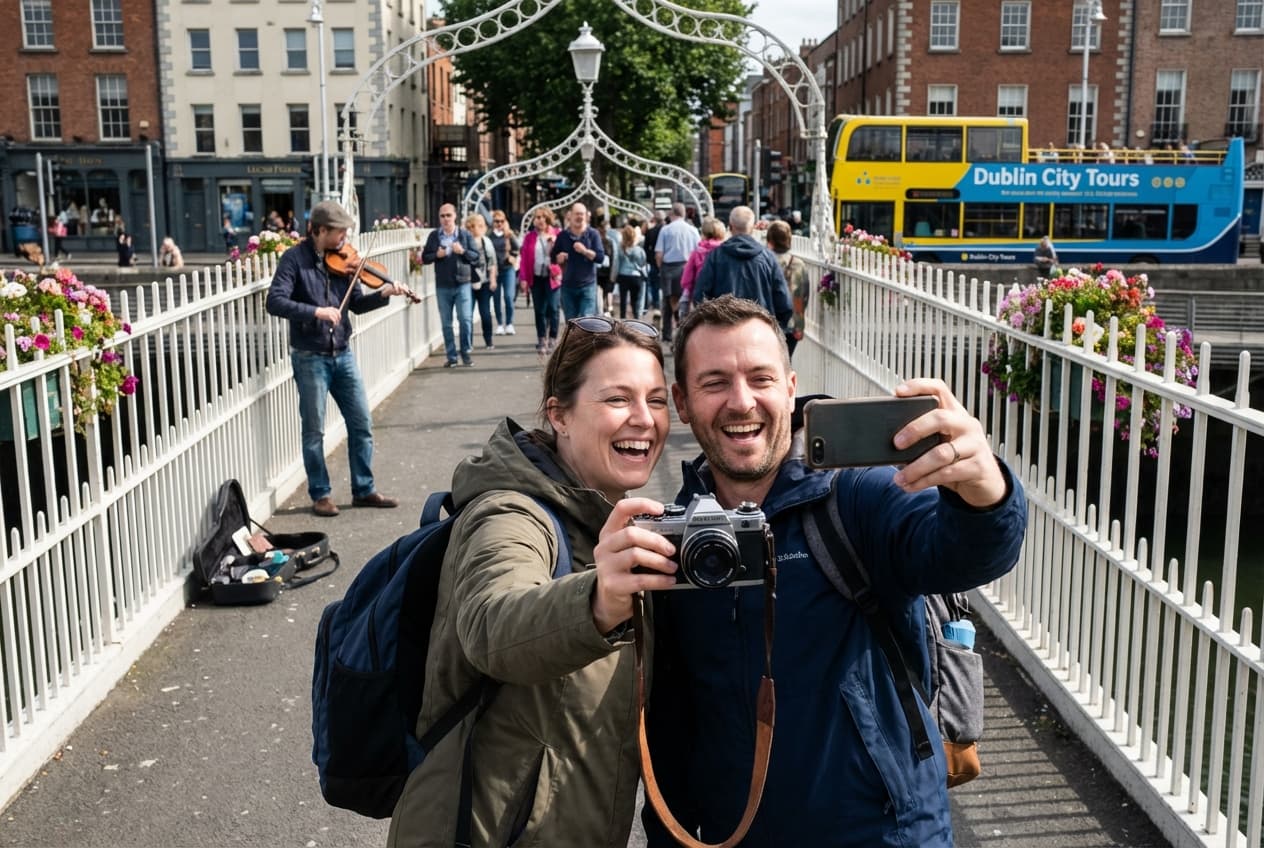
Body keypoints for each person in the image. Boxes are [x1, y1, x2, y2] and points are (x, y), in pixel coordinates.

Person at [641, 295, 1028, 847]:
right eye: (714, 383)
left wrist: (984, 494)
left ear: (791, 388)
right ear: (682, 401)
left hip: (885, 833)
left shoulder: (854, 498)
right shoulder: (679, 543)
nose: (741, 401)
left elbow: (964, 552)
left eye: (760, 378)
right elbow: (674, 726)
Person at [387, 315, 678, 847]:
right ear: (558, 415)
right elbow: (492, 624)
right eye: (618, 399)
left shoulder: (607, 514)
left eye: (657, 400)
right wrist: (598, 599)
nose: (644, 419)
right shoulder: (508, 513)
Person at [264, 200, 405, 517]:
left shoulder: (344, 262)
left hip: (342, 353)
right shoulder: (294, 260)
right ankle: (321, 494)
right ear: (319, 230)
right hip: (309, 356)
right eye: (339, 232)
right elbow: (275, 301)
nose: (344, 239)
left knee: (361, 423)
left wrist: (383, 295)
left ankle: (364, 489)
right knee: (314, 430)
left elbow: (354, 304)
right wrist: (315, 312)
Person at [691, 205, 793, 331]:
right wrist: (775, 327)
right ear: (753, 227)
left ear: (730, 225)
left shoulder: (716, 256)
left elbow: (700, 296)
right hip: (759, 330)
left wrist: (712, 324)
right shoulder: (768, 258)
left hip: (724, 330)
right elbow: (783, 302)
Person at [422, 203, 481, 368]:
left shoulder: (464, 235)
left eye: (449, 215)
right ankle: (452, 356)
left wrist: (462, 251)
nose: (446, 219)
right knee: (446, 323)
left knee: (465, 319)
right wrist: (437, 254)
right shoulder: (434, 236)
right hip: (443, 285)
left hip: (462, 282)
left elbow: (476, 257)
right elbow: (425, 257)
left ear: (455, 216)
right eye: (442, 216)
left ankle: (466, 352)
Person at [654, 203, 700, 342]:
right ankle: (684, 330)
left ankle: (667, 334)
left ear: (672, 214)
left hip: (668, 267)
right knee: (685, 300)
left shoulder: (666, 230)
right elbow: (698, 252)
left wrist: (660, 267)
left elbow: (659, 253)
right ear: (684, 214)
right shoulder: (692, 230)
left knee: (667, 301)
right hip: (687, 267)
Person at [550, 202, 604, 320]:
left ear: (586, 216)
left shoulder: (593, 234)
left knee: (586, 320)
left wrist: (585, 251)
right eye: (577, 214)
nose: (579, 217)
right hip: (568, 286)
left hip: (588, 285)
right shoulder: (563, 236)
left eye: (582, 214)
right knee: (571, 323)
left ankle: (585, 339)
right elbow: (553, 257)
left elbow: (600, 258)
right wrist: (558, 258)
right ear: (570, 216)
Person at [519, 209, 562, 354]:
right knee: (539, 310)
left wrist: (555, 243)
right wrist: (523, 278)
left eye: (543, 217)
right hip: (536, 278)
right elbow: (524, 259)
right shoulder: (529, 237)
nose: (540, 220)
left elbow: (562, 254)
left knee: (553, 308)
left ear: (548, 219)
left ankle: (553, 338)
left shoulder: (557, 233)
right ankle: (542, 339)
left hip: (552, 278)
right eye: (537, 217)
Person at [768, 220, 809, 357]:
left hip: (768, 322)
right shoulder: (799, 264)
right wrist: (800, 325)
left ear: (770, 239)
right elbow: (803, 297)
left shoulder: (764, 261)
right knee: (786, 361)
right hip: (791, 323)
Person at [679, 217, 726, 320]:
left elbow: (686, 279)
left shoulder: (697, 252)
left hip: (701, 297)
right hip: (724, 297)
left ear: (704, 233)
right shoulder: (726, 251)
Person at [466, 212, 499, 350]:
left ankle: (488, 340)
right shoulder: (466, 241)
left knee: (485, 313)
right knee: (467, 315)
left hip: (484, 282)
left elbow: (492, 263)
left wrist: (492, 281)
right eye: (474, 226)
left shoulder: (487, 242)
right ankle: (468, 343)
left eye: (480, 225)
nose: (477, 228)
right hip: (468, 282)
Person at [488, 210, 520, 336]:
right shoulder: (489, 236)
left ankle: (509, 323)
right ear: (493, 222)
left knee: (508, 296)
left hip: (508, 269)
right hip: (495, 270)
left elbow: (517, 248)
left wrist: (512, 256)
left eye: (502, 221)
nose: (499, 223)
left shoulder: (509, 235)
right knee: (496, 298)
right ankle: (500, 324)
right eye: (497, 221)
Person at [614, 224, 648, 320]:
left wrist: (614, 277)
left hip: (623, 276)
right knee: (635, 301)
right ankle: (636, 319)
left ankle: (622, 319)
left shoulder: (620, 249)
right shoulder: (639, 250)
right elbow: (643, 264)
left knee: (623, 301)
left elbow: (616, 264)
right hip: (636, 277)